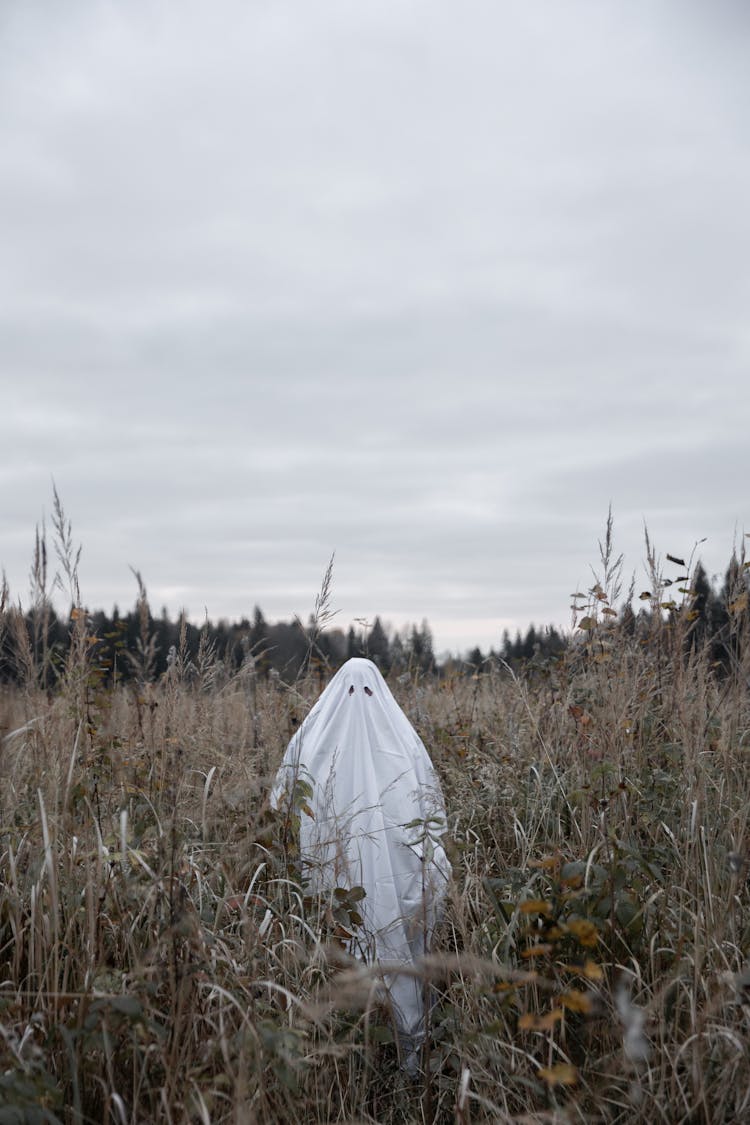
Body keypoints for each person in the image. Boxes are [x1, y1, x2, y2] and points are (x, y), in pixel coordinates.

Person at [272, 657, 451, 1070]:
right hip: (338, 883)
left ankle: (400, 1043)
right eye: (350, 693)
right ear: (336, 698)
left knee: (399, 945)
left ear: (380, 696)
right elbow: (285, 804)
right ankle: (354, 1049)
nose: (358, 704)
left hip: (397, 875)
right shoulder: (314, 744)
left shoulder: (401, 743)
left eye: (366, 693)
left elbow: (427, 808)